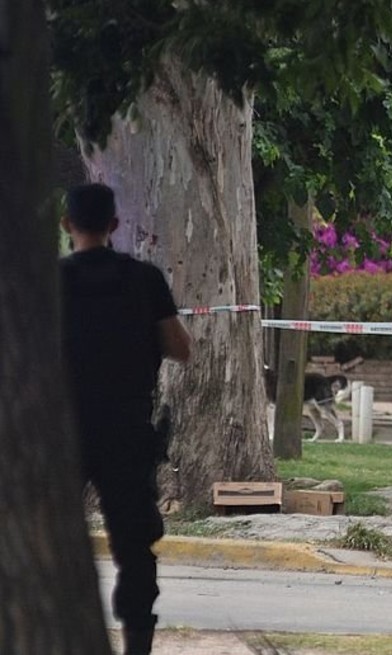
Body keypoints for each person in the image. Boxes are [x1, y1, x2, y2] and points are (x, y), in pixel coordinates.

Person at [60, 183, 192, 655]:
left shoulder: (51, 281)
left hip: (62, 433)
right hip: (126, 430)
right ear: (114, 225)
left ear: (66, 224)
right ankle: (136, 644)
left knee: (51, 537)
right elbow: (182, 349)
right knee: (134, 547)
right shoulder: (144, 280)